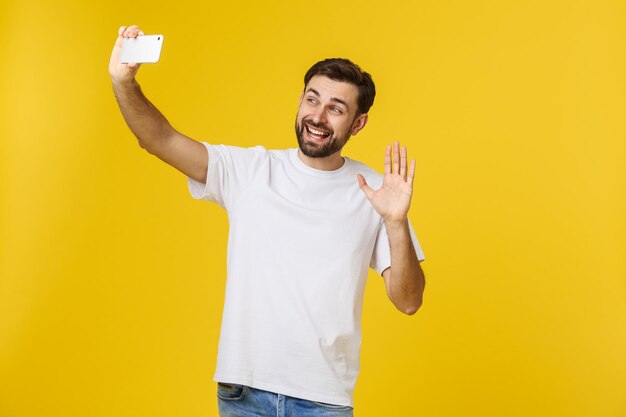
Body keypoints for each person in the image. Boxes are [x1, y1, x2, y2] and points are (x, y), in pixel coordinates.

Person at [109, 25, 426, 417]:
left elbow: (408, 300)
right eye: (313, 100)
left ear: (357, 124)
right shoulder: (250, 170)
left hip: (322, 401)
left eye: (336, 108)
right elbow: (159, 140)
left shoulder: (376, 192)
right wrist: (123, 83)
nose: (318, 116)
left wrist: (396, 222)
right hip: (244, 394)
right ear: (300, 101)